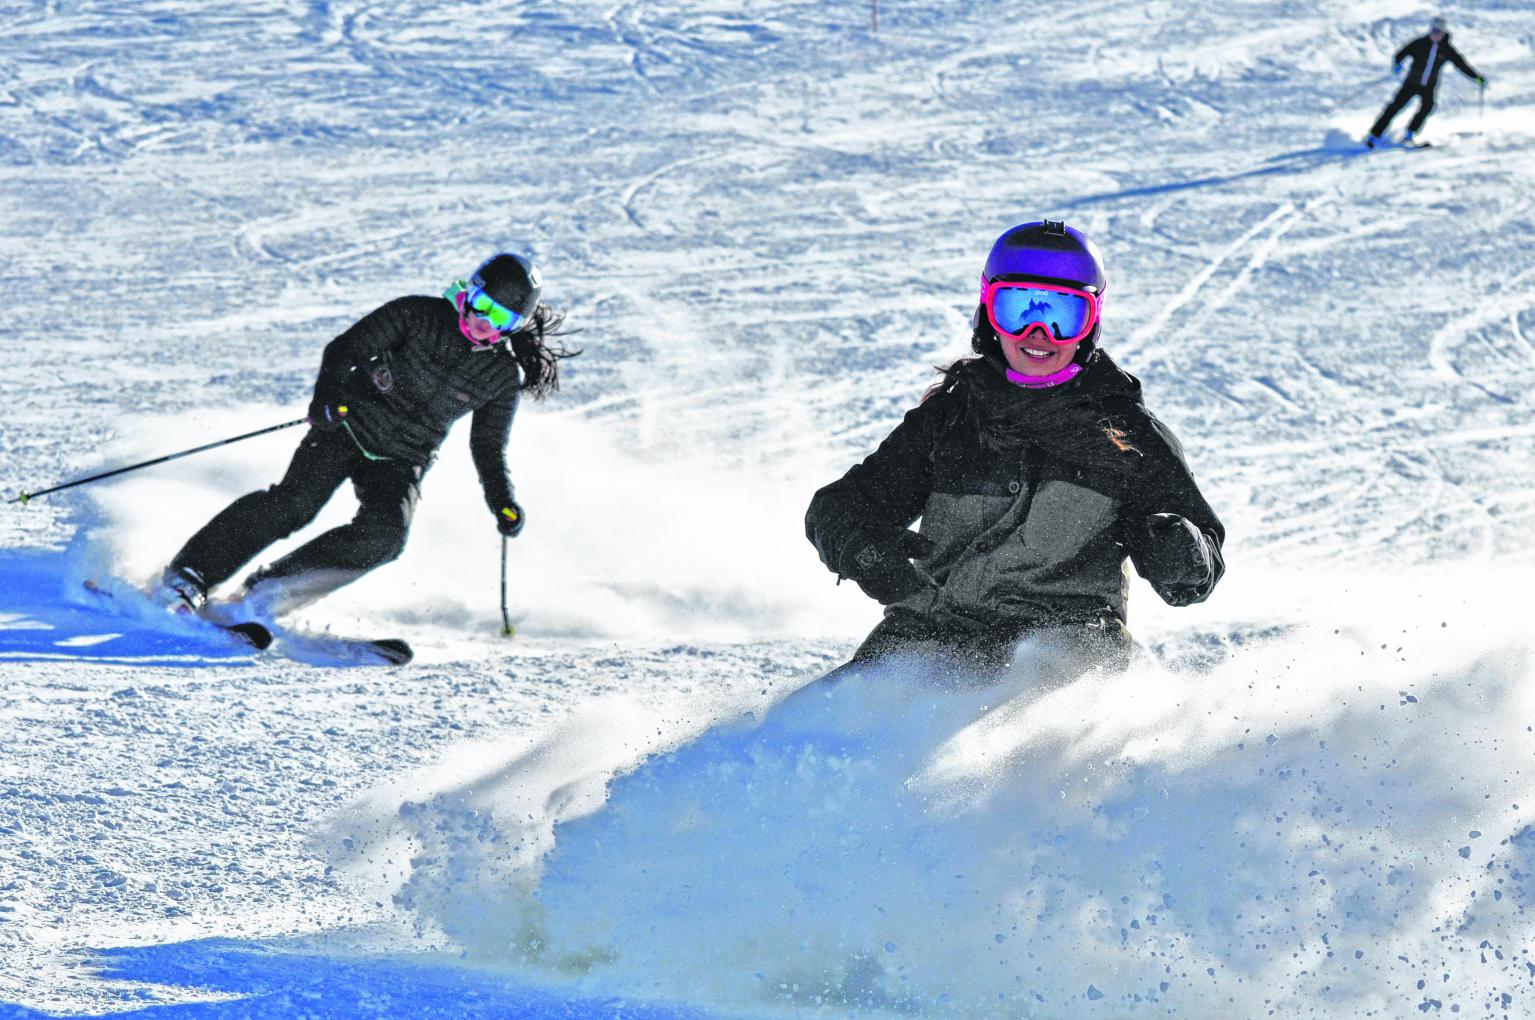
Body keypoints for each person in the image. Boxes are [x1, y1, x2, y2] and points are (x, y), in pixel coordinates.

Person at [804, 220, 1224, 681]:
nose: (1039, 332)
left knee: (1010, 716)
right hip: (932, 635)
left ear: (1091, 323)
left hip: (1069, 647)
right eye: (1018, 308)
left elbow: (1196, 567)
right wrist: (866, 551)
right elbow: (838, 507)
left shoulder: (1128, 437)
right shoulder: (950, 420)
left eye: (1064, 314)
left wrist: (1180, 553)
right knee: (805, 732)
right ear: (989, 313)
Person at [156, 253, 574, 616]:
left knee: (386, 536)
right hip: (347, 427)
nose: (484, 323)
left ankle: (272, 591)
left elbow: (487, 444)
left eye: (501, 318)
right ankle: (192, 574)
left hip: (402, 458)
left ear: (516, 326)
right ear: (469, 292)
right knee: (296, 504)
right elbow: (345, 349)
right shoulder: (417, 315)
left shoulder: (499, 376)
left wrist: (502, 499)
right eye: (482, 305)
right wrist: (327, 398)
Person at [1366, 15, 1485, 148]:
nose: (1435, 34)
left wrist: (1476, 77)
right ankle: (1374, 135)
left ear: (1444, 33)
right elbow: (1401, 53)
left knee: (1427, 107)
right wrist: (1397, 64)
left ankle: (1410, 134)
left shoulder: (1447, 49)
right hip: (1411, 82)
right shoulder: (1420, 43)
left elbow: (1461, 64)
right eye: (1433, 31)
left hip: (1428, 86)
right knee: (1394, 107)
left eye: (1438, 32)